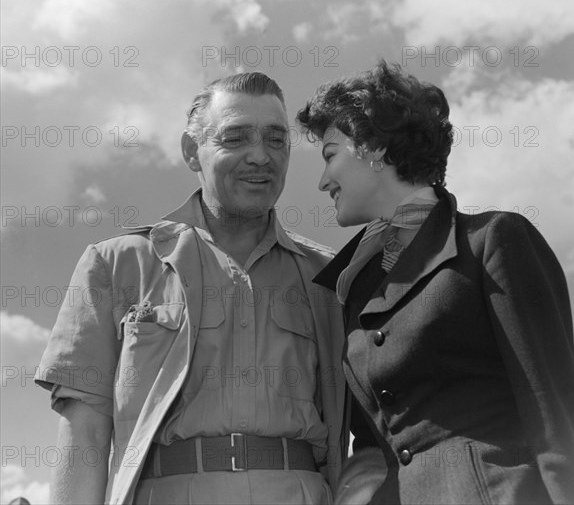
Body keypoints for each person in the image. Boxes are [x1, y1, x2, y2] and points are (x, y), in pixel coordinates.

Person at [35, 72, 347, 505]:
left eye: (276, 140)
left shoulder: (330, 277)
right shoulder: (115, 264)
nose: (260, 156)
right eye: (235, 138)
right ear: (191, 151)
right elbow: (83, 434)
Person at [296, 60, 574, 505]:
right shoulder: (353, 286)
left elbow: (554, 419)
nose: (322, 181)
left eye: (329, 156)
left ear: (374, 147)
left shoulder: (493, 240)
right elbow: (372, 447)